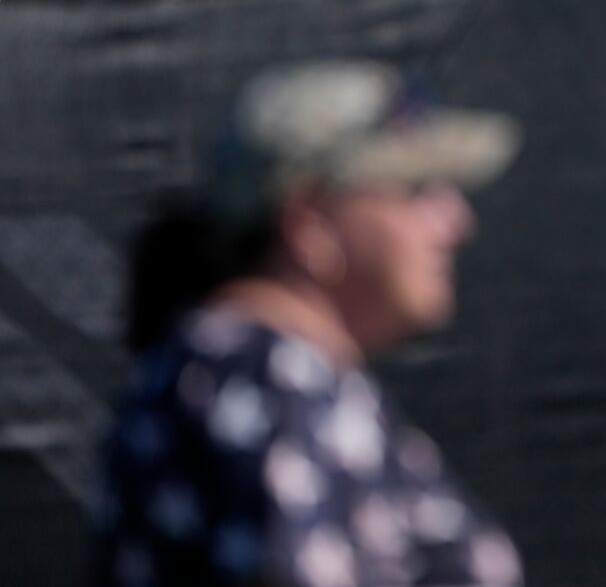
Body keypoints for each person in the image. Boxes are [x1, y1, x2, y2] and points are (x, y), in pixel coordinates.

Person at [95, 60, 526, 587]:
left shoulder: (263, 372)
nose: (455, 222)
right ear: (311, 224)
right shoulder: (263, 377)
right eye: (415, 189)